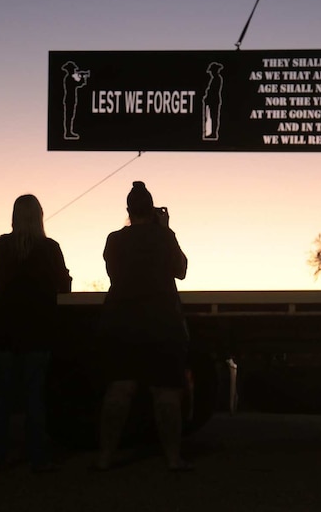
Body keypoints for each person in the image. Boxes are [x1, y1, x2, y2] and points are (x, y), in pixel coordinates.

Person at [95, 181, 192, 471]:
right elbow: (182, 270)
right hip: (162, 323)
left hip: (122, 323)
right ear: (152, 209)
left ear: (128, 210)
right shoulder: (164, 236)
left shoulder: (114, 240)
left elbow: (113, 272)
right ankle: (173, 459)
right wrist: (164, 228)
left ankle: (104, 458)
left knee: (119, 391)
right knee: (166, 394)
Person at [0, 194, 72, 472]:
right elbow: (64, 284)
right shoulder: (49, 248)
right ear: (39, 216)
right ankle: (37, 455)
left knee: (2, 394)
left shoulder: (2, 245)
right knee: (35, 393)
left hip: (5, 331)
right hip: (38, 331)